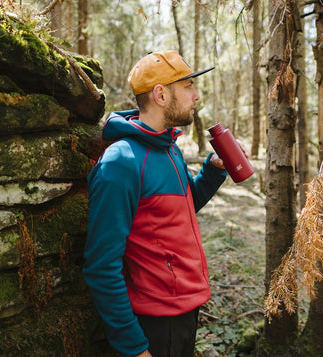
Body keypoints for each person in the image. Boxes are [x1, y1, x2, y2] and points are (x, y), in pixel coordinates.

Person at [83, 50, 228, 357]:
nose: (196, 95)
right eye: (188, 86)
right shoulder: (121, 162)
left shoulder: (170, 149)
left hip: (186, 310)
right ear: (161, 94)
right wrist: (134, 347)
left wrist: (213, 169)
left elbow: (180, 211)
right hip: (155, 325)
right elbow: (101, 267)